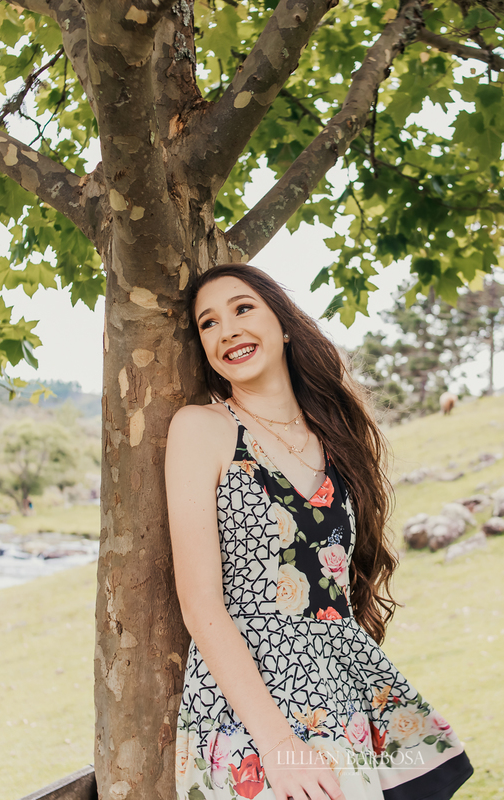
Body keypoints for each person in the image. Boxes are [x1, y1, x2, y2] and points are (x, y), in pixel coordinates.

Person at [167, 263, 474, 800]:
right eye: (208, 324)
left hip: (341, 695)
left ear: (283, 324)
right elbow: (200, 606)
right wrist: (281, 747)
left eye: (243, 309)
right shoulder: (202, 430)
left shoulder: (334, 439)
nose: (227, 330)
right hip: (252, 713)